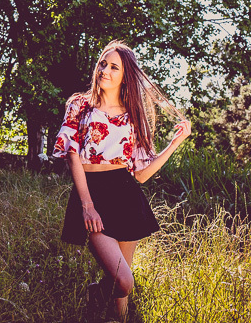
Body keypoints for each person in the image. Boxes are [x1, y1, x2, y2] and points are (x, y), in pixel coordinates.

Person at [53, 40, 191, 321]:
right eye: (103, 64)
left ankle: (120, 319)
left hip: (126, 195)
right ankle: (95, 295)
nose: (105, 70)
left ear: (126, 76)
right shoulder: (80, 105)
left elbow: (141, 174)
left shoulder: (133, 117)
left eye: (114, 67)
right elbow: (72, 155)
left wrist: (174, 144)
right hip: (92, 193)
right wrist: (87, 205)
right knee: (124, 281)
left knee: (121, 291)